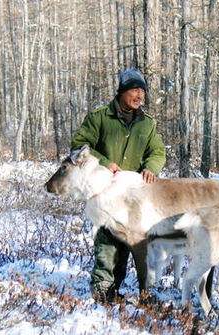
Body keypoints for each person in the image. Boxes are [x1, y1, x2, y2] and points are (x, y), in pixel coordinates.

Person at [71, 68, 166, 303]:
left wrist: (151, 168)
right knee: (108, 238)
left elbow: (157, 151)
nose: (139, 96)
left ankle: (132, 288)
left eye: (142, 91)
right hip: (105, 192)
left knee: (132, 240)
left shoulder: (147, 124)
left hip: (133, 195)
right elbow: (78, 146)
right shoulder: (100, 117)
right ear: (122, 92)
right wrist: (103, 163)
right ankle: (103, 288)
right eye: (134, 90)